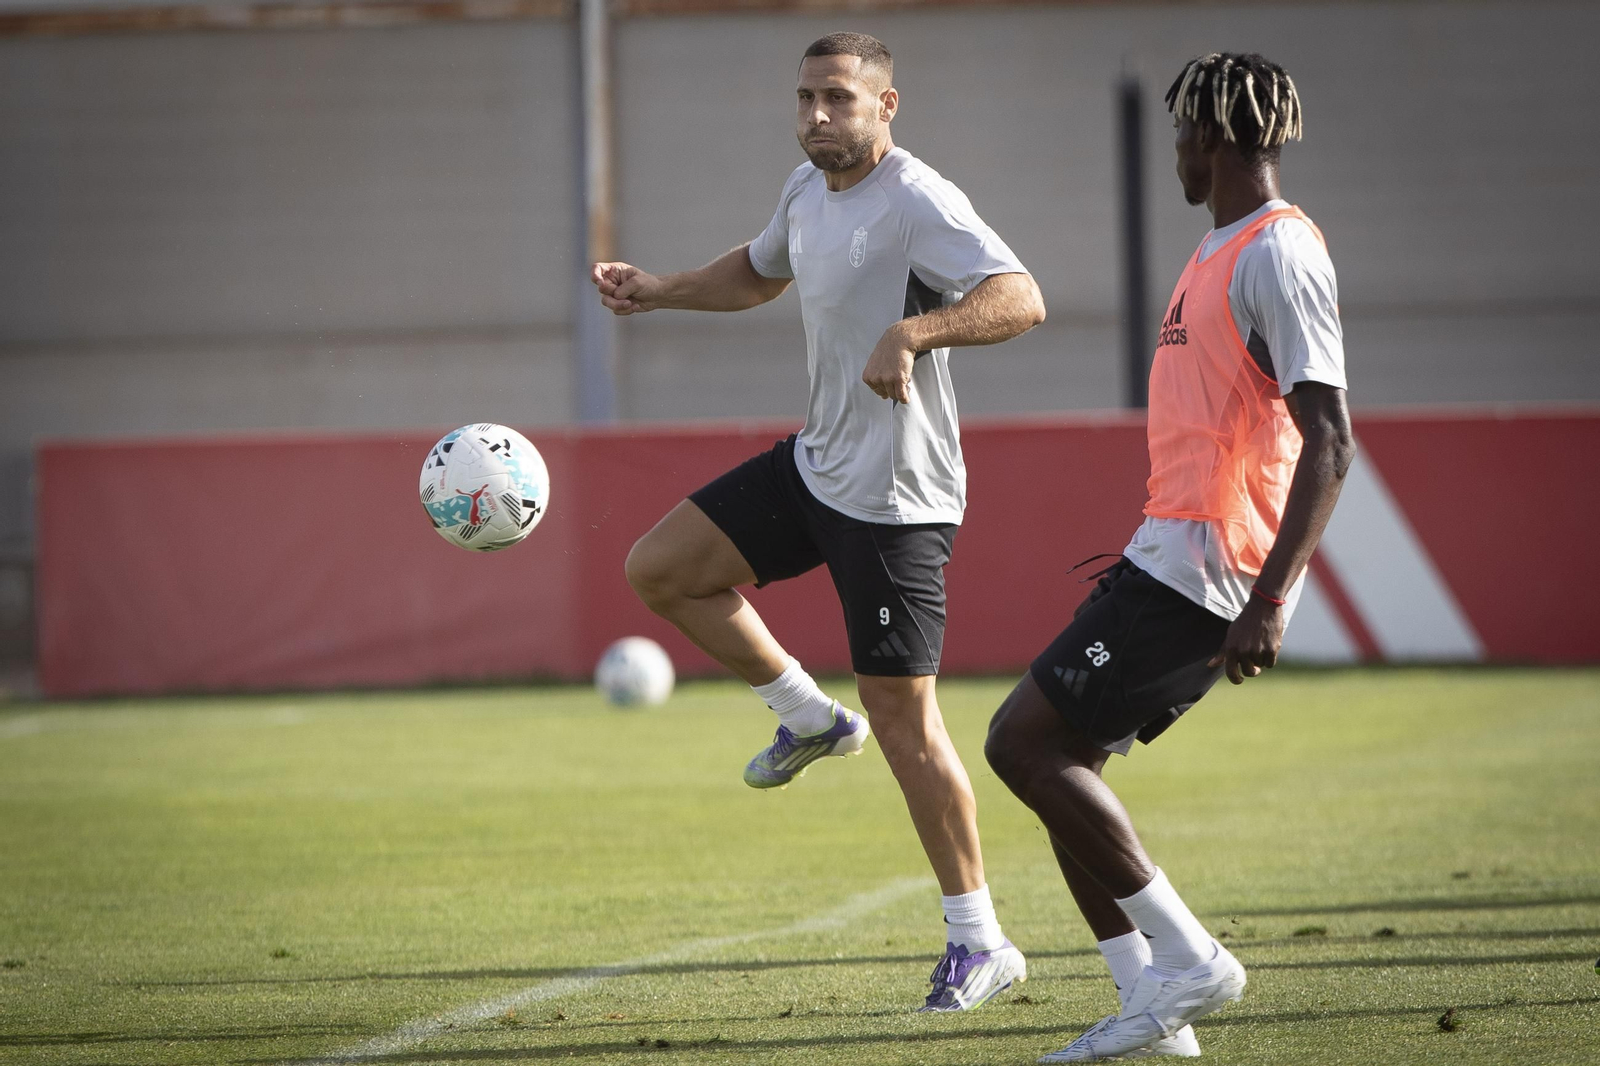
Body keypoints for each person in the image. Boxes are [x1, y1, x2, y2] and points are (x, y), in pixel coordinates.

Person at [591, 32, 1045, 1011]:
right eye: (804, 97)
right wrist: (660, 290)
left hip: (897, 503)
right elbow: (760, 273)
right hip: (816, 466)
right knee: (660, 568)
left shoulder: (919, 199)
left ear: (886, 106)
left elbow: (1020, 297)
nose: (816, 116)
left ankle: (981, 939)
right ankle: (807, 716)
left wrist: (915, 331)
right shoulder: (805, 190)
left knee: (906, 724)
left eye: (837, 97)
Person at [983, 52, 1356, 1061]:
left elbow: (1330, 441)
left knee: (1022, 745)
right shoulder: (1219, 249)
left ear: (1216, 137)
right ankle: (1150, 1006)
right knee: (1065, 772)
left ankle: (1188, 960)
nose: (1177, 151)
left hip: (1209, 568)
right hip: (1172, 550)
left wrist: (1269, 598)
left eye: (1184, 132)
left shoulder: (1278, 252)